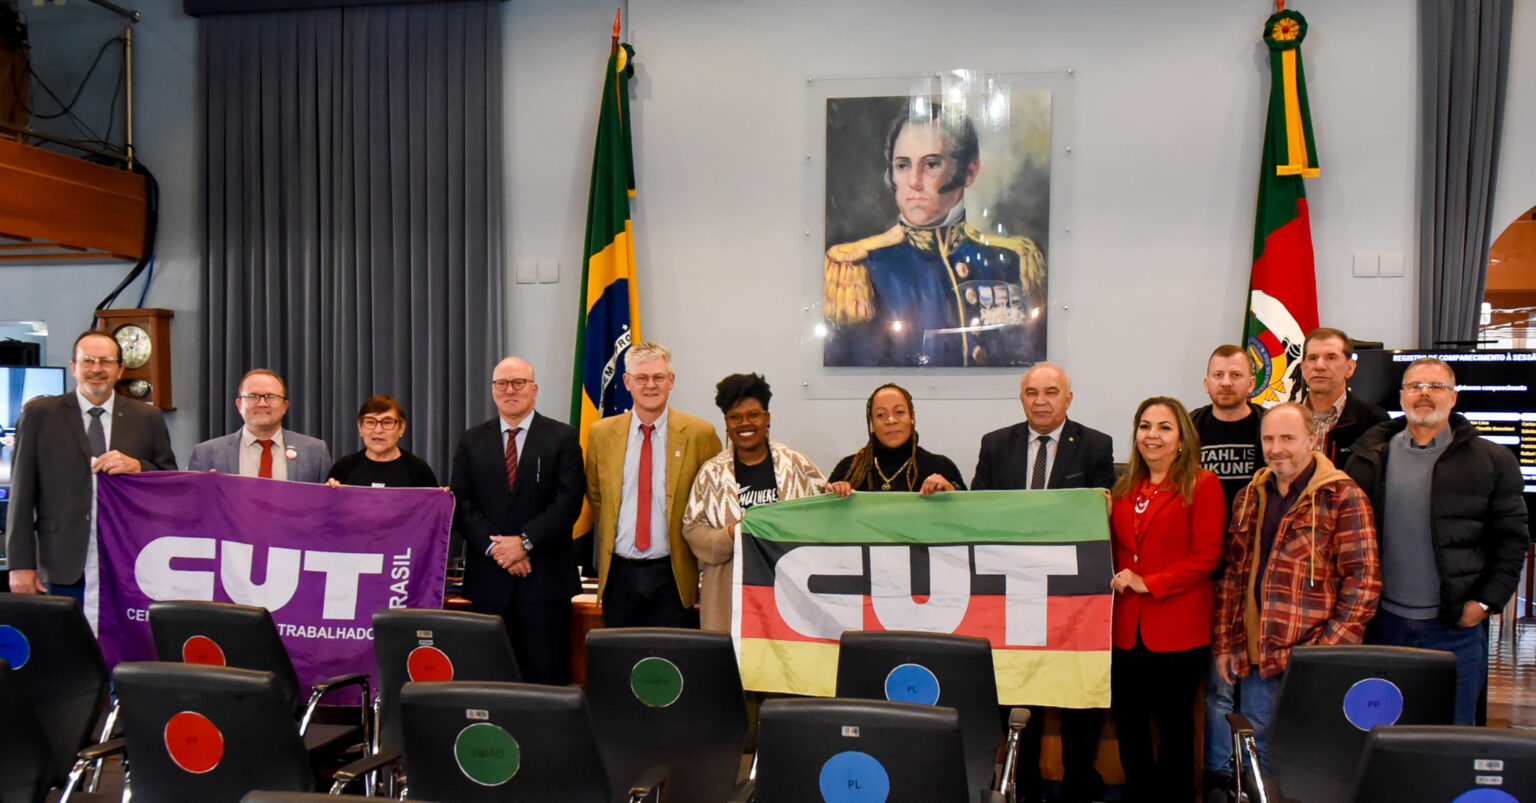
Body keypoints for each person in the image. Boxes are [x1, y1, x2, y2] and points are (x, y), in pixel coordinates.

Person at [1344, 358, 1530, 725]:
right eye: (1415, 386)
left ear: (1454, 397)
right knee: (1384, 731)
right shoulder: (1369, 459)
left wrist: (1485, 603)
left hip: (1453, 629)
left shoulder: (1493, 461)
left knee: (1452, 736)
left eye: (1436, 386)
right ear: (1402, 396)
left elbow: (1512, 540)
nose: (1424, 393)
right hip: (1383, 625)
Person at [971, 361, 1114, 803]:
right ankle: (1025, 786)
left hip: (1074, 597)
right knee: (1018, 692)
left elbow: (1102, 519)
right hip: (1013, 597)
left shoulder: (1095, 445)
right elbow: (976, 513)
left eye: (1051, 392)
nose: (1041, 401)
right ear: (1022, 398)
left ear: (1068, 398)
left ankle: (1076, 787)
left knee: (1076, 694)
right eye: (1032, 392)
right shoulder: (996, 445)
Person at [1212, 402, 1380, 772]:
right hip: (1258, 658)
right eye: (1269, 438)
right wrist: (1226, 642)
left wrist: (1323, 654)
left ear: (1311, 439)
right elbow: (1232, 578)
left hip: (1312, 658)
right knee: (1259, 761)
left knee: (1309, 763)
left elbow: (1363, 584)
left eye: (1288, 437)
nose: (1276, 448)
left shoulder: (1342, 497)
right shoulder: (1248, 497)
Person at [823, 107, 1045, 367]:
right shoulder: (858, 269)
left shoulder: (1012, 261)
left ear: (969, 172)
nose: (914, 182)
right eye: (903, 165)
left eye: (931, 164)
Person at [1107, 397, 1225, 803]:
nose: (1152, 436)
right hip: (1126, 630)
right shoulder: (1124, 487)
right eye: (1144, 426)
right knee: (1130, 723)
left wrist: (1149, 582)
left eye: (1163, 427)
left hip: (1178, 627)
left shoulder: (1202, 485)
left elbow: (1207, 556)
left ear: (1181, 439)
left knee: (1175, 727)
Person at [5, 331, 177, 598]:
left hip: (127, 564)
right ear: (73, 367)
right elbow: (21, 494)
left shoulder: (147, 417)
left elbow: (171, 482)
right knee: (61, 640)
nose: (96, 369)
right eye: (87, 361)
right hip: (60, 563)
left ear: (120, 370)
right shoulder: (40, 415)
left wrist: (138, 467)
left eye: (106, 361)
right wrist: (19, 565)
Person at [450, 357, 585, 684]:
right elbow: (461, 503)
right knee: (489, 677)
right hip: (489, 583)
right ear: (493, 391)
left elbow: (568, 503)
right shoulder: (471, 440)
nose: (510, 390)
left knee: (546, 680)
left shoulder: (562, 438)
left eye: (519, 383)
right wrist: (499, 549)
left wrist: (523, 543)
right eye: (502, 384)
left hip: (545, 581)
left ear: (534, 389)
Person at [586, 342, 722, 628]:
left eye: (659, 377)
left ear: (671, 381)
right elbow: (597, 494)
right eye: (641, 378)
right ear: (626, 382)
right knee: (619, 661)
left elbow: (714, 500)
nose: (651, 385)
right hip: (619, 574)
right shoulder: (601, 434)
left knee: (672, 663)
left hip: (673, 574)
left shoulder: (700, 434)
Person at [683, 373, 826, 632]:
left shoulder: (796, 465)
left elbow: (824, 515)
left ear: (767, 418)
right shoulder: (711, 473)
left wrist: (840, 492)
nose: (744, 423)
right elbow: (692, 530)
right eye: (735, 417)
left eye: (753, 415)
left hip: (787, 597)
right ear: (726, 423)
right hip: (729, 599)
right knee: (728, 669)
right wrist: (729, 535)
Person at [1189, 344, 1266, 796]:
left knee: (1254, 681)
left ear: (1250, 383)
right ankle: (1218, 770)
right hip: (1203, 571)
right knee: (1216, 684)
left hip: (1255, 576)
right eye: (1218, 374)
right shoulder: (1191, 428)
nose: (1226, 382)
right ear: (1206, 382)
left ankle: (1254, 772)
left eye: (1235, 375)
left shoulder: (1266, 428)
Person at [187, 369, 332, 482]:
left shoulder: (315, 452)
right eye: (252, 396)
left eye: (270, 396)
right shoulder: (206, 454)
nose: (262, 403)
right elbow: (192, 506)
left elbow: (327, 508)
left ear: (284, 406)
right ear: (239, 405)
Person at [826, 382, 965, 496]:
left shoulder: (941, 467)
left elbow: (967, 518)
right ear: (872, 423)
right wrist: (834, 496)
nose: (891, 420)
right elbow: (824, 520)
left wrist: (950, 494)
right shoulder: (849, 469)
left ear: (912, 417)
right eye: (881, 415)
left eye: (899, 412)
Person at [1295, 327, 1388, 465]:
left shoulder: (1374, 421)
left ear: (1350, 368)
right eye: (1312, 358)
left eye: (1331, 357)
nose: (1319, 366)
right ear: (1303, 368)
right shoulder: (1280, 420)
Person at [325, 395, 439, 487]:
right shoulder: (343, 468)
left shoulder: (418, 470)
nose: (378, 430)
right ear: (360, 427)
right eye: (370, 422)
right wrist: (328, 494)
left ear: (401, 427)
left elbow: (434, 513)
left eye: (387, 422)